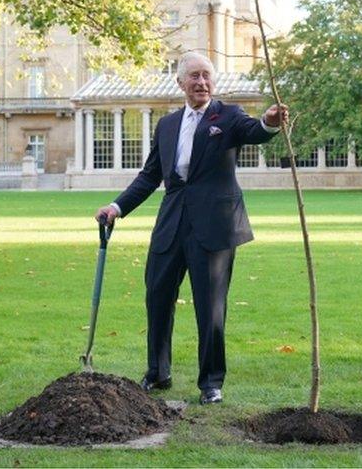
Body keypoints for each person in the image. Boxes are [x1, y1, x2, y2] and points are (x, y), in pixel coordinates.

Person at [95, 51, 286, 405]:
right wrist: (117, 206)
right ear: (180, 83)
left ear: (214, 82)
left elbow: (255, 131)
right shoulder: (167, 125)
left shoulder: (227, 116)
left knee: (210, 306)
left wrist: (270, 122)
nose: (201, 82)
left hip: (214, 226)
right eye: (194, 76)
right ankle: (158, 371)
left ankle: (211, 382)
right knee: (157, 295)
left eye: (206, 76)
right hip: (171, 222)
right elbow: (151, 175)